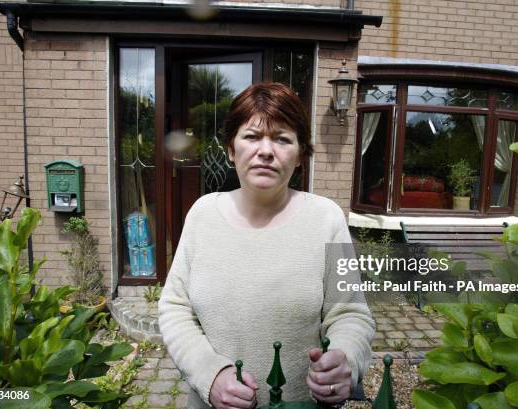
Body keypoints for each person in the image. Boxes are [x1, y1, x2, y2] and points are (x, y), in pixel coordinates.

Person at [158, 82, 375, 409]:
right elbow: (175, 308)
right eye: (252, 136)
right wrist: (210, 374)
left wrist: (345, 356)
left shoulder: (326, 219)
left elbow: (351, 313)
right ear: (231, 149)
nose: (266, 150)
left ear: (300, 154)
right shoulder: (202, 215)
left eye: (282, 138)